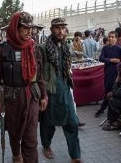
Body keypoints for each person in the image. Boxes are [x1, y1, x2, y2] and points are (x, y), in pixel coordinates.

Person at [0, 11, 48, 163]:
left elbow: (40, 75)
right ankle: (16, 155)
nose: (30, 31)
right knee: (14, 133)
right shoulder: (3, 49)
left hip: (32, 96)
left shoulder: (34, 49)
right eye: (25, 28)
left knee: (31, 138)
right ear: (16, 28)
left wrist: (44, 95)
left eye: (31, 28)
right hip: (12, 99)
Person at [39, 17, 83, 163]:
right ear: (51, 30)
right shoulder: (43, 48)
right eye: (57, 28)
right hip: (49, 92)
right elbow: (37, 73)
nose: (60, 30)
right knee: (48, 123)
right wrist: (42, 94)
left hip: (65, 89)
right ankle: (46, 146)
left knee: (72, 122)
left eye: (63, 28)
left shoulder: (65, 46)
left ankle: (75, 156)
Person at [95, 31, 121, 117]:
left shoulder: (119, 48)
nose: (110, 38)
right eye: (109, 37)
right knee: (107, 90)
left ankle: (102, 109)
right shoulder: (105, 48)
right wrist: (111, 60)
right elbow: (101, 58)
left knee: (110, 91)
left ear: (115, 39)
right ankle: (110, 109)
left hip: (116, 73)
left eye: (112, 37)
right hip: (107, 72)